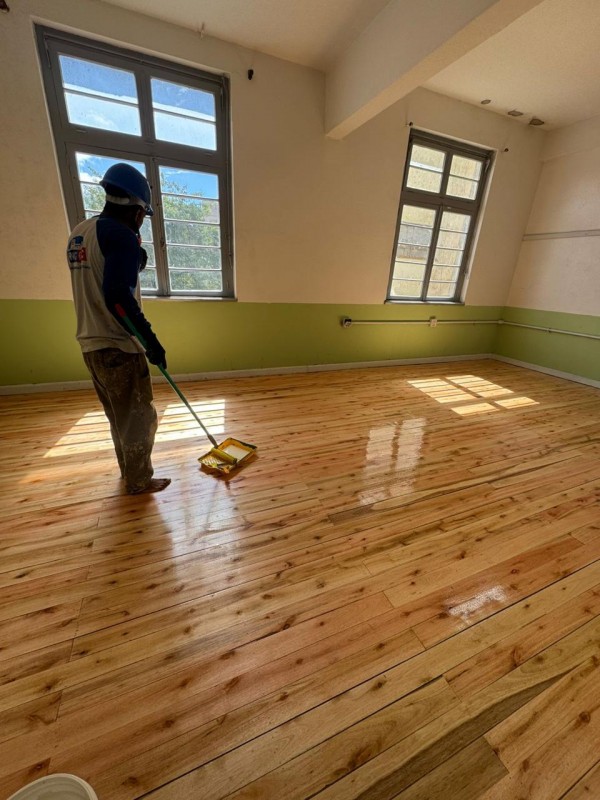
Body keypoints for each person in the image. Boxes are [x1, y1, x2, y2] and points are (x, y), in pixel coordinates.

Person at [66, 163, 171, 494]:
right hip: (118, 347)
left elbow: (98, 274)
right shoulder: (121, 236)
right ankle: (139, 481)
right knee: (139, 419)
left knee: (118, 416)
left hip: (91, 345)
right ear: (138, 211)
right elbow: (117, 298)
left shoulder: (81, 231)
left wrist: (133, 259)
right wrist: (151, 342)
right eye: (143, 217)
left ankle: (129, 472)